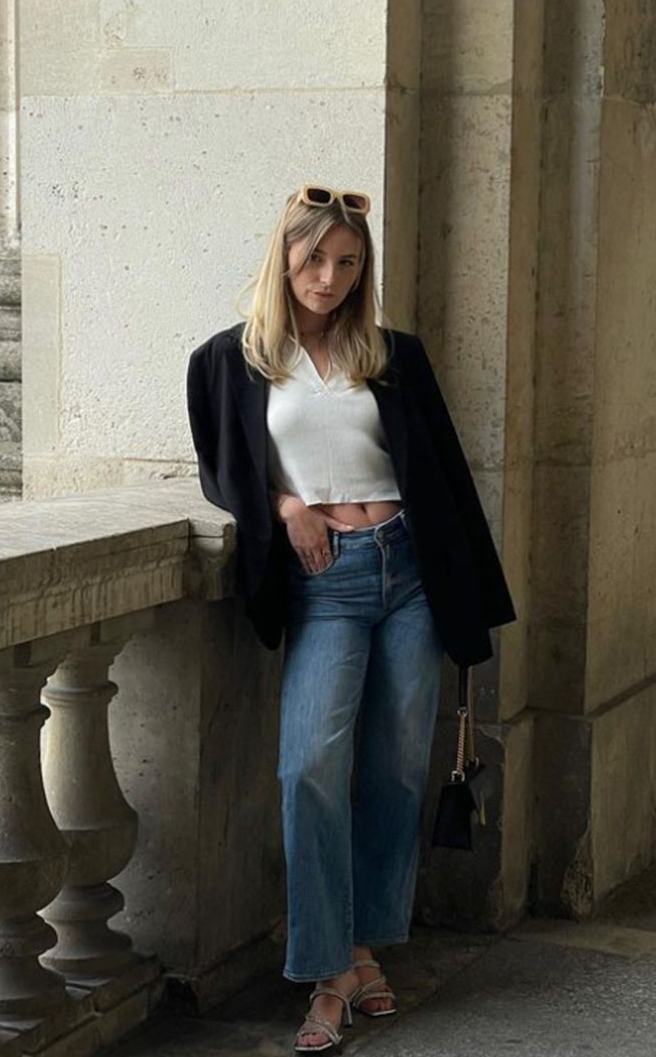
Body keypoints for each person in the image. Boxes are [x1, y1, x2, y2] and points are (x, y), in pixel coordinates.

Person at [187, 185, 515, 1052]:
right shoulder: (231, 359)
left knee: (398, 770)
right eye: (313, 260)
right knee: (309, 767)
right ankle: (327, 967)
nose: (327, 279)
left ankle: (361, 951)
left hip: (409, 571)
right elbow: (221, 469)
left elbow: (443, 471)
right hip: (325, 582)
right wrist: (284, 502)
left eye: (346, 263)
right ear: (284, 258)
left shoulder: (393, 355)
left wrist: (471, 598)